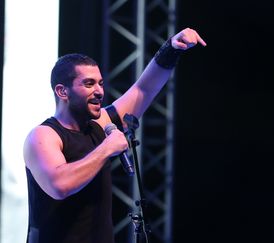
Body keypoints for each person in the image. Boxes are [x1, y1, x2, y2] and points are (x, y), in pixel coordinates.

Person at [23, 28, 206, 243]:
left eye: (100, 83)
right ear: (63, 91)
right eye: (89, 83)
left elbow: (142, 90)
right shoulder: (44, 136)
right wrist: (107, 148)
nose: (99, 91)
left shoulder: (101, 123)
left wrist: (172, 48)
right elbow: (59, 186)